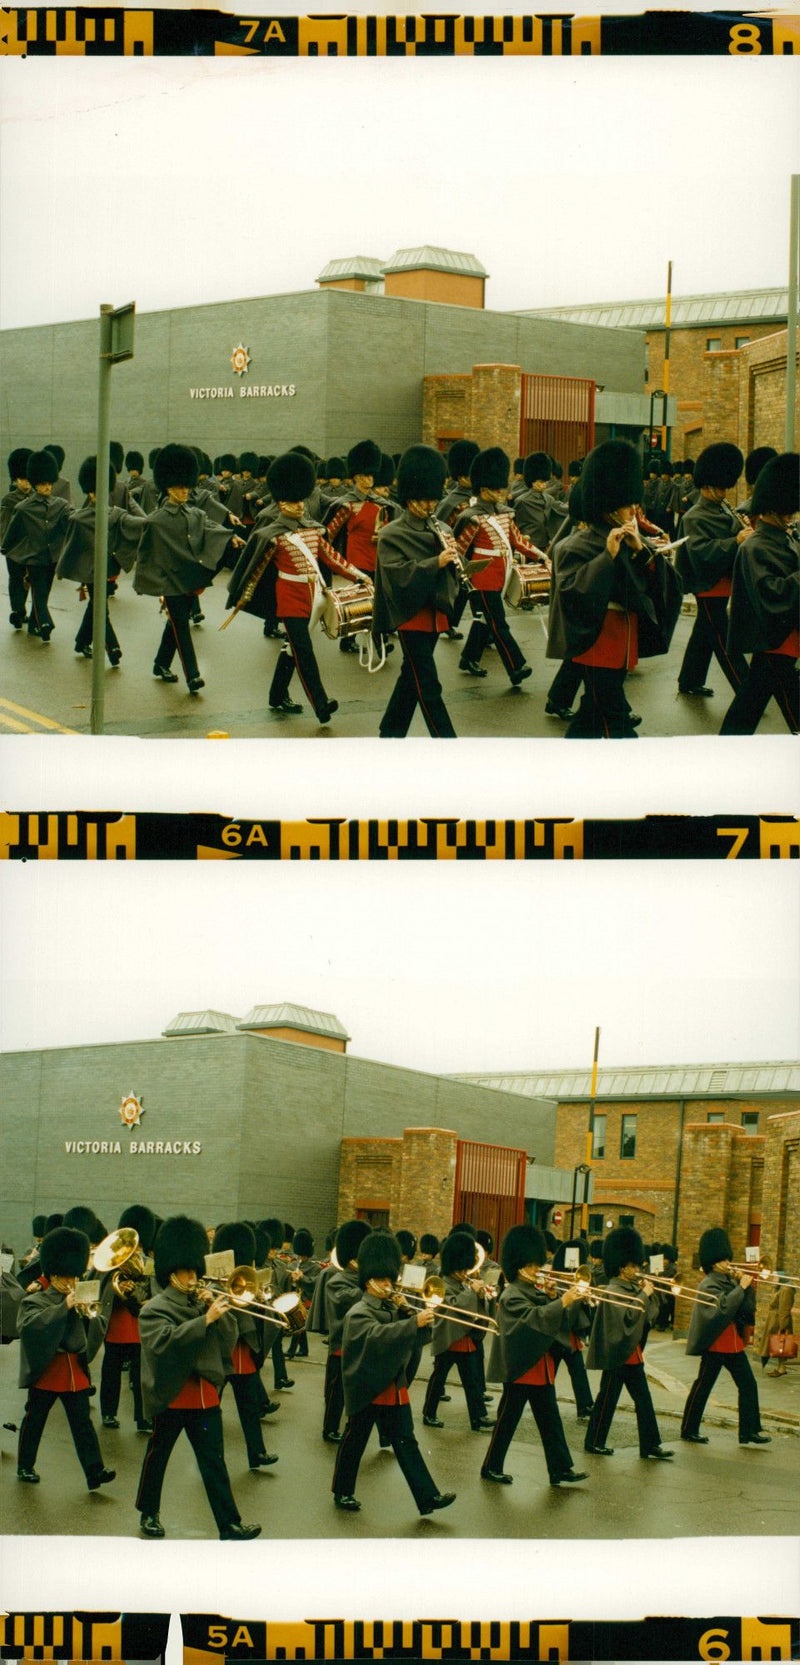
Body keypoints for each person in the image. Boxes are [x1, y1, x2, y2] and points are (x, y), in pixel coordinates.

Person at [135, 1214, 261, 1539]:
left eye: (194, 1270)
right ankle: (149, 1512)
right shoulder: (154, 1308)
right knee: (158, 1458)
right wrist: (204, 1320)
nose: (193, 1276)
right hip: (173, 1396)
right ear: (170, 1271)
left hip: (204, 1397)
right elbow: (165, 1343)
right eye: (186, 1271)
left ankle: (229, 1524)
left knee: (214, 1463)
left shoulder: (200, 1301)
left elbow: (226, 1342)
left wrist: (222, 1315)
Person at [547, 440, 682, 737]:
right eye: (627, 504)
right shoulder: (575, 545)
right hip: (596, 641)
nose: (634, 510)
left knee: (592, 715)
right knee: (614, 719)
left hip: (622, 640)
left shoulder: (631, 540)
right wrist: (606, 558)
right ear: (609, 506)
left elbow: (664, 584)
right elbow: (572, 592)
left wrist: (642, 553)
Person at [226, 452, 370, 724]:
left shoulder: (313, 530)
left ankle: (277, 695)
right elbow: (253, 568)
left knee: (291, 649)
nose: (301, 505)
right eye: (294, 502)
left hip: (312, 598)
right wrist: (243, 597)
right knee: (303, 651)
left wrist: (359, 576)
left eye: (301, 500)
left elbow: (332, 558)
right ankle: (321, 704)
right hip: (289, 600)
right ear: (282, 503)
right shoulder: (273, 533)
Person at [332, 1231, 455, 1516]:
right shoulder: (359, 1311)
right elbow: (378, 1338)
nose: (390, 1286)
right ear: (370, 1281)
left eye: (391, 1280)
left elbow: (415, 1340)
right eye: (384, 1281)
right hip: (368, 1385)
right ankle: (342, 1491)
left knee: (406, 1442)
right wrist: (412, 1323)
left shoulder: (391, 1307)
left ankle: (428, 1498)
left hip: (391, 1385)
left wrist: (413, 1315)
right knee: (354, 1441)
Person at [481, 1224, 589, 1488]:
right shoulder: (512, 1295)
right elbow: (533, 1320)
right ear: (519, 1268)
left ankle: (560, 1469)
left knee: (551, 1422)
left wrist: (554, 1296)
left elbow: (550, 1315)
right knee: (507, 1421)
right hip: (521, 1368)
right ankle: (490, 1466)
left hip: (539, 1368)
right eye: (531, 1266)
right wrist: (559, 1302)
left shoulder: (534, 1292)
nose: (536, 1270)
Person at [133, 443, 244, 693]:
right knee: (181, 625)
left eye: (186, 486)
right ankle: (192, 675)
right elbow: (145, 553)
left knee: (175, 623)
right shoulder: (155, 520)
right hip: (169, 582)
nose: (185, 491)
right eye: (179, 487)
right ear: (168, 488)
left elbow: (209, 528)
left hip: (188, 576)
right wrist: (153, 583)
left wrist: (231, 537)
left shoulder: (194, 513)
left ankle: (160, 663)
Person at [374, 445, 463, 738]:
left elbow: (449, 575)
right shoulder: (391, 534)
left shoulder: (442, 530)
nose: (429, 506)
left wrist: (455, 561)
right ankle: (446, 740)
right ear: (409, 498)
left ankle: (390, 732)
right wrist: (435, 562)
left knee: (410, 678)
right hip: (410, 615)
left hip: (435, 613)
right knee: (428, 683)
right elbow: (397, 576)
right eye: (423, 501)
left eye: (433, 501)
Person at [16, 1227, 115, 1491]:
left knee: (83, 1423)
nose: (72, 1282)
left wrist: (88, 1314)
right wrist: (64, 1307)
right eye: (67, 1278)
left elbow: (97, 1326)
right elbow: (31, 1327)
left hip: (74, 1371)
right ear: (54, 1275)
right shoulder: (35, 1300)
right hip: (48, 1369)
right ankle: (25, 1465)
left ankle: (94, 1471)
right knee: (35, 1420)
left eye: (75, 1277)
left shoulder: (80, 1295)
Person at [454, 447, 548, 684]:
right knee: (498, 624)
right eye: (496, 489)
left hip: (500, 577)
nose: (500, 493)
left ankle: (468, 658)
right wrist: (465, 581)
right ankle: (516, 667)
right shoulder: (472, 517)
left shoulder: (505, 515)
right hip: (481, 580)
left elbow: (517, 541)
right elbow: (458, 552)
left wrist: (541, 557)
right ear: (484, 489)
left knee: (485, 620)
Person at [720, 453, 799, 735]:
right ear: (769, 509)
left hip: (785, 639)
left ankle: (724, 752)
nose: (790, 517)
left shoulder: (784, 537)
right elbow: (772, 594)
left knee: (750, 703)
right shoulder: (755, 547)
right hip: (775, 639)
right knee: (789, 704)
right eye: (787, 512)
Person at [584, 1226, 673, 1461]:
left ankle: (650, 1444)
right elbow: (627, 1320)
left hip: (631, 1354)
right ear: (622, 1267)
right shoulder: (613, 1290)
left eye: (637, 1265)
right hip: (617, 1353)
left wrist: (652, 1295)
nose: (637, 1269)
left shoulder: (632, 1289)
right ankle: (594, 1442)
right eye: (632, 1266)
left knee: (643, 1400)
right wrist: (644, 1295)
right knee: (607, 1400)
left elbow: (648, 1318)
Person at [675, 442, 752, 700]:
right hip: (707, 584)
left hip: (722, 581)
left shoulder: (723, 508)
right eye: (720, 488)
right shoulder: (693, 517)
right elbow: (701, 553)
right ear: (706, 486)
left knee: (704, 634)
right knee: (724, 639)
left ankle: (689, 680)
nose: (724, 492)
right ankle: (747, 691)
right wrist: (736, 541)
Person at [680, 1227, 769, 1448]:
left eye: (727, 1258)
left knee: (748, 1384)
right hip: (716, 1344)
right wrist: (741, 1287)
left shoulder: (730, 1281)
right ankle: (688, 1429)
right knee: (703, 1386)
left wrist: (747, 1288)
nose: (727, 1262)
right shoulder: (708, 1284)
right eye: (722, 1260)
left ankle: (749, 1431)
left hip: (734, 1343)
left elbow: (747, 1309)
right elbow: (724, 1308)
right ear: (712, 1263)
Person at [55, 456, 144, 664]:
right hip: (89, 571)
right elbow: (70, 548)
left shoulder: (115, 514)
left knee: (96, 606)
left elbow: (137, 522)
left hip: (106, 567)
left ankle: (81, 642)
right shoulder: (78, 518)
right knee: (100, 608)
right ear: (90, 492)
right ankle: (113, 648)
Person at [211, 1220, 278, 1471]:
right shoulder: (214, 1276)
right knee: (210, 1410)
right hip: (220, 1352)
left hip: (243, 1351)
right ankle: (212, 1455)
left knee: (249, 1409)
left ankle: (257, 1453)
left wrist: (258, 1296)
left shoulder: (247, 1275)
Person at [421, 1230, 495, 1432]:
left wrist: (482, 1295)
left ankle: (478, 1417)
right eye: (462, 1268)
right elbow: (454, 1305)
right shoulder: (441, 1283)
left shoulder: (462, 1282)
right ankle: (429, 1413)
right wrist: (472, 1292)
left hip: (464, 1339)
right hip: (448, 1338)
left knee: (471, 1381)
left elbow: (474, 1309)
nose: (465, 1272)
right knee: (439, 1379)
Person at [97, 1204, 157, 1433]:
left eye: (140, 1245)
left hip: (140, 1327)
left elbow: (153, 1289)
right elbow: (103, 1289)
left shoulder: (149, 1264)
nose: (137, 1249)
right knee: (111, 1373)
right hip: (117, 1327)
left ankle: (143, 1417)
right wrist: (119, 1287)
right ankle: (108, 1412)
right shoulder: (113, 1263)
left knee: (142, 1376)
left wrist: (139, 1293)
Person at [2, 449, 71, 641]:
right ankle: (34, 618)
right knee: (24, 586)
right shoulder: (16, 504)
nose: (48, 487)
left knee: (42, 590)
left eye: (50, 483)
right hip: (23, 553)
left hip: (47, 555)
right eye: (43, 483)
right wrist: (5, 548)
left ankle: (34, 622)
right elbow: (8, 529)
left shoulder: (59, 504)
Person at [321, 1219, 371, 1443]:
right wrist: (367, 1288)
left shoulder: (366, 1279)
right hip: (342, 1343)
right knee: (336, 1394)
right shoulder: (336, 1279)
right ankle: (329, 1428)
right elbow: (343, 1301)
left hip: (363, 1343)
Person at [756, 1275, 794, 1379]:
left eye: (775, 1278)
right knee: (779, 1345)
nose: (773, 1280)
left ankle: (782, 1368)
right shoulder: (781, 1288)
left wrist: (783, 1326)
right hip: (775, 1320)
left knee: (781, 1345)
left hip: (779, 1321)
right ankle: (781, 1367)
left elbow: (784, 1309)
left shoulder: (786, 1290)